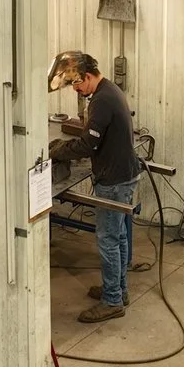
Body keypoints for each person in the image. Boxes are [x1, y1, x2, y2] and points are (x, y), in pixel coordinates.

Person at [51, 53, 139, 324]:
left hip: (113, 180)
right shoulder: (109, 90)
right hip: (123, 174)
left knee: (108, 240)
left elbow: (88, 144)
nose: (76, 90)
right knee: (119, 236)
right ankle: (118, 289)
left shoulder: (102, 100)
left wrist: (58, 150)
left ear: (88, 77)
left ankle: (112, 300)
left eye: (77, 85)